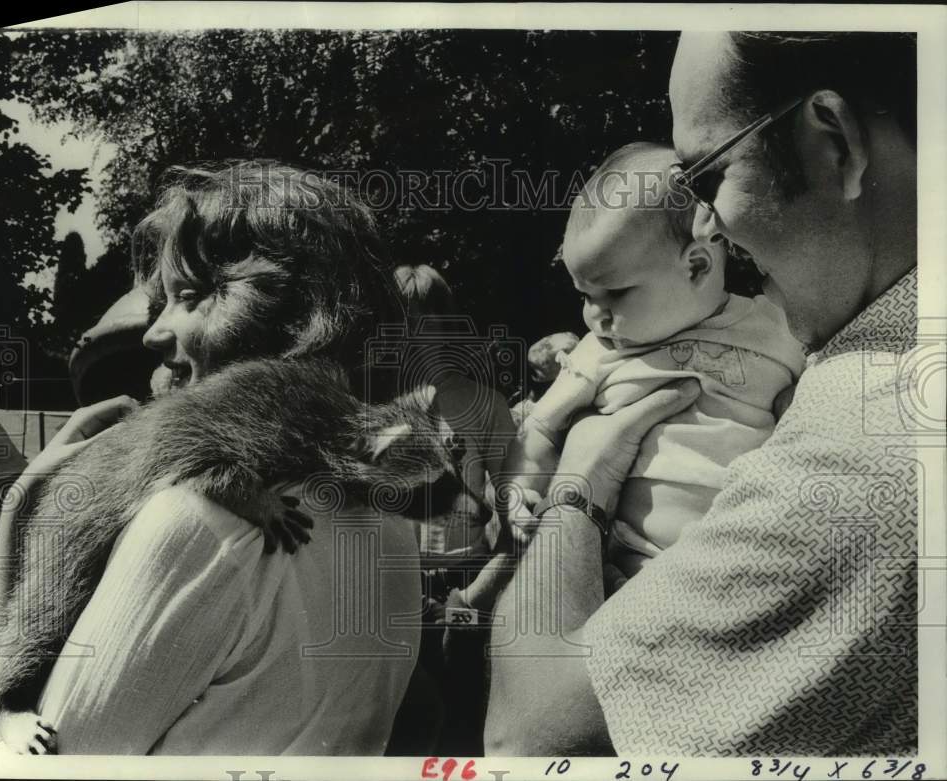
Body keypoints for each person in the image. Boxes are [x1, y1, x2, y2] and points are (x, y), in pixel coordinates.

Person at [485, 31, 918, 755]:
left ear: (833, 141)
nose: (705, 224)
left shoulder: (871, 452)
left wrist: (578, 484)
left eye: (708, 174)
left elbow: (529, 736)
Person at [0, 161, 422, 755]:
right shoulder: (389, 529)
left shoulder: (196, 525)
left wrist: (22, 503)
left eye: (186, 297)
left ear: (286, 317)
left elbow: (49, 763)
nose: (152, 335)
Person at [499, 142, 804, 591]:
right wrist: (518, 491)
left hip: (754, 548)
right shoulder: (599, 352)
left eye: (615, 293)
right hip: (639, 565)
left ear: (697, 266)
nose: (594, 316)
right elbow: (540, 430)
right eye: (584, 296)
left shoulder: (773, 327)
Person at [387, 263, 516, 756]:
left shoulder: (485, 404)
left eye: (428, 323)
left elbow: (513, 503)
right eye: (403, 324)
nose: (416, 337)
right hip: (396, 589)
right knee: (405, 725)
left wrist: (483, 592)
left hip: (468, 581)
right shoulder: (381, 408)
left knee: (464, 721)